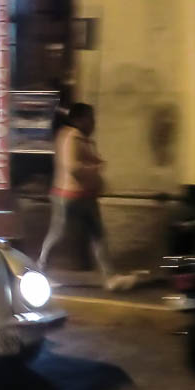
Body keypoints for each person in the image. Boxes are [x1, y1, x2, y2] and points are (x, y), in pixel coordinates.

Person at [37, 103, 132, 292]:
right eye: (90, 118)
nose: (93, 123)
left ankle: (110, 277)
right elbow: (73, 167)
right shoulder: (71, 137)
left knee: (97, 235)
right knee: (59, 234)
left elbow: (86, 161)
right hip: (68, 196)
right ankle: (39, 271)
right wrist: (95, 168)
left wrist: (95, 164)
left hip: (84, 195)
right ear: (79, 119)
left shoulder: (81, 138)